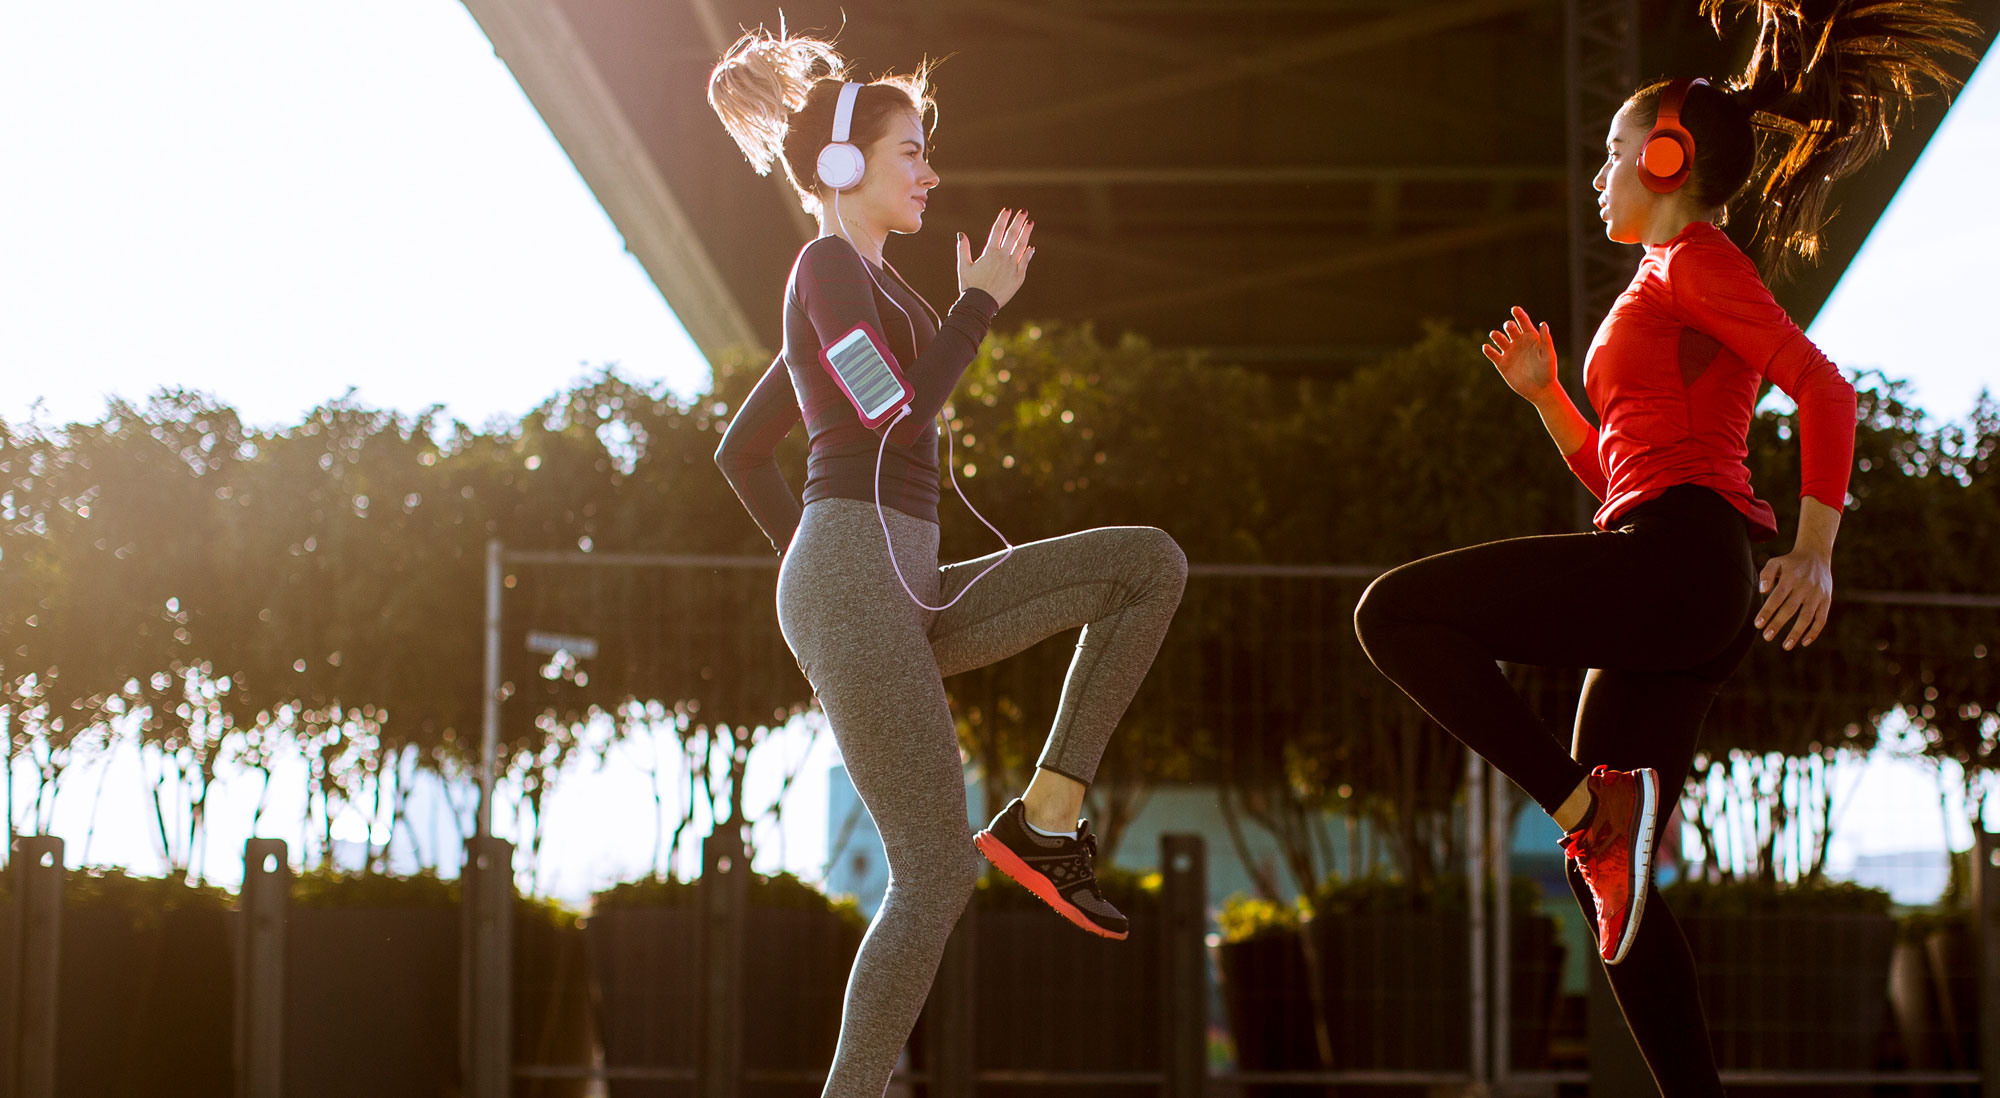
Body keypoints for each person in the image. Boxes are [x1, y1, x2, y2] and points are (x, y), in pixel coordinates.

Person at [1352, 1, 1974, 1092]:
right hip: (1668, 570)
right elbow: (1618, 476)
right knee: (1619, 904)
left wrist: (1815, 547)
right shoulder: (1657, 284)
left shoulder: (1694, 259)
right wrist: (1548, 399)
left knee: (1391, 615)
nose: (1597, 176)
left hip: (1680, 562)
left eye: (1610, 155)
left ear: (1664, 156)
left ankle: (1590, 813)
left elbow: (1821, 388)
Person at [707, 29, 1187, 1098]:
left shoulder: (878, 293)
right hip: (859, 582)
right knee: (929, 870)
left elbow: (741, 450)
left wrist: (838, 569)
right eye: (910, 151)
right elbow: (889, 416)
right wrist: (827, 570)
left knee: (1145, 566)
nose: (930, 172)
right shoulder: (825, 268)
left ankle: (1047, 816)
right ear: (843, 166)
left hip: (900, 586)